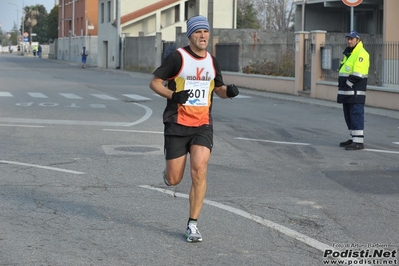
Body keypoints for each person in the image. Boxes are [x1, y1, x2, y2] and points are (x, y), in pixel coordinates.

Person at [149, 15, 239, 243]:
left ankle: (193, 224)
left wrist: (228, 92)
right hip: (177, 124)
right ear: (190, 35)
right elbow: (155, 82)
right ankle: (168, 176)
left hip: (202, 124)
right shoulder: (177, 58)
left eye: (205, 32)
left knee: (199, 169)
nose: (203, 36)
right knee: (175, 178)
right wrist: (173, 95)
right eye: (198, 32)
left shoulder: (212, 61)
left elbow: (217, 88)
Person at [337, 31, 370, 150]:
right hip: (348, 92)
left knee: (356, 115)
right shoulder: (349, 53)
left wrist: (347, 84)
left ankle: (358, 142)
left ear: (358, 40)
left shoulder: (362, 53)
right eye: (348, 39)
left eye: (351, 39)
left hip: (355, 93)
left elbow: (358, 74)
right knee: (349, 116)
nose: (349, 41)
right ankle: (353, 138)